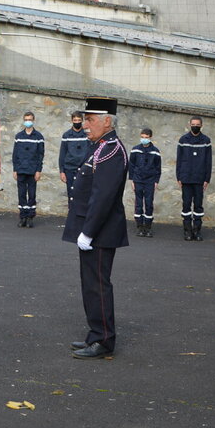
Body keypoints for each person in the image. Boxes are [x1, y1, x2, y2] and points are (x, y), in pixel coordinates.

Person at [62, 97, 128, 359]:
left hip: (100, 231)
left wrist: (88, 231)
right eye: (85, 120)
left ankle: (103, 340)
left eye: (90, 119)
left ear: (107, 121)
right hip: (93, 228)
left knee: (98, 285)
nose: (86, 125)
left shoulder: (111, 150)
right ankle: (95, 334)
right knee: (90, 283)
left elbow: (103, 197)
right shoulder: (100, 146)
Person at [176, 116, 212, 241]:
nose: (195, 126)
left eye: (197, 124)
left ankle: (197, 231)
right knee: (186, 205)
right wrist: (178, 177)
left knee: (198, 206)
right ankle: (187, 231)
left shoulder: (206, 140)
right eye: (193, 124)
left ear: (201, 125)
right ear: (189, 124)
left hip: (199, 179)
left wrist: (207, 178)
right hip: (186, 178)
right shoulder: (183, 139)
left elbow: (208, 161)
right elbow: (179, 160)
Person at [13, 111, 45, 227]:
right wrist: (15, 169)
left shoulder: (39, 137)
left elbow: (40, 155)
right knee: (21, 194)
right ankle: (23, 217)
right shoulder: (19, 137)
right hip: (21, 169)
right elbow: (15, 154)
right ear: (23, 120)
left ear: (33, 120)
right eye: (26, 119)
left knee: (32, 194)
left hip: (32, 170)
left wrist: (38, 171)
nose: (28, 122)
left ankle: (30, 217)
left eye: (30, 119)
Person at [128, 128, 161, 237]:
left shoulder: (155, 151)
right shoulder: (135, 149)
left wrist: (156, 181)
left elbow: (158, 167)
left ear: (150, 138)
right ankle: (140, 227)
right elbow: (131, 165)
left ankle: (148, 227)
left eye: (146, 138)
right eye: (142, 137)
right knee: (138, 204)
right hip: (138, 180)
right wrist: (132, 180)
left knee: (148, 204)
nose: (144, 139)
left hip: (150, 181)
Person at [58, 111, 89, 210]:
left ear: (82, 120)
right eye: (75, 120)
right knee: (71, 194)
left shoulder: (87, 134)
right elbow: (62, 153)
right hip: (69, 169)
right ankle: (72, 217)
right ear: (71, 120)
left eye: (79, 120)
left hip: (84, 169)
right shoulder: (66, 135)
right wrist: (62, 171)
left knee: (83, 194)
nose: (77, 122)